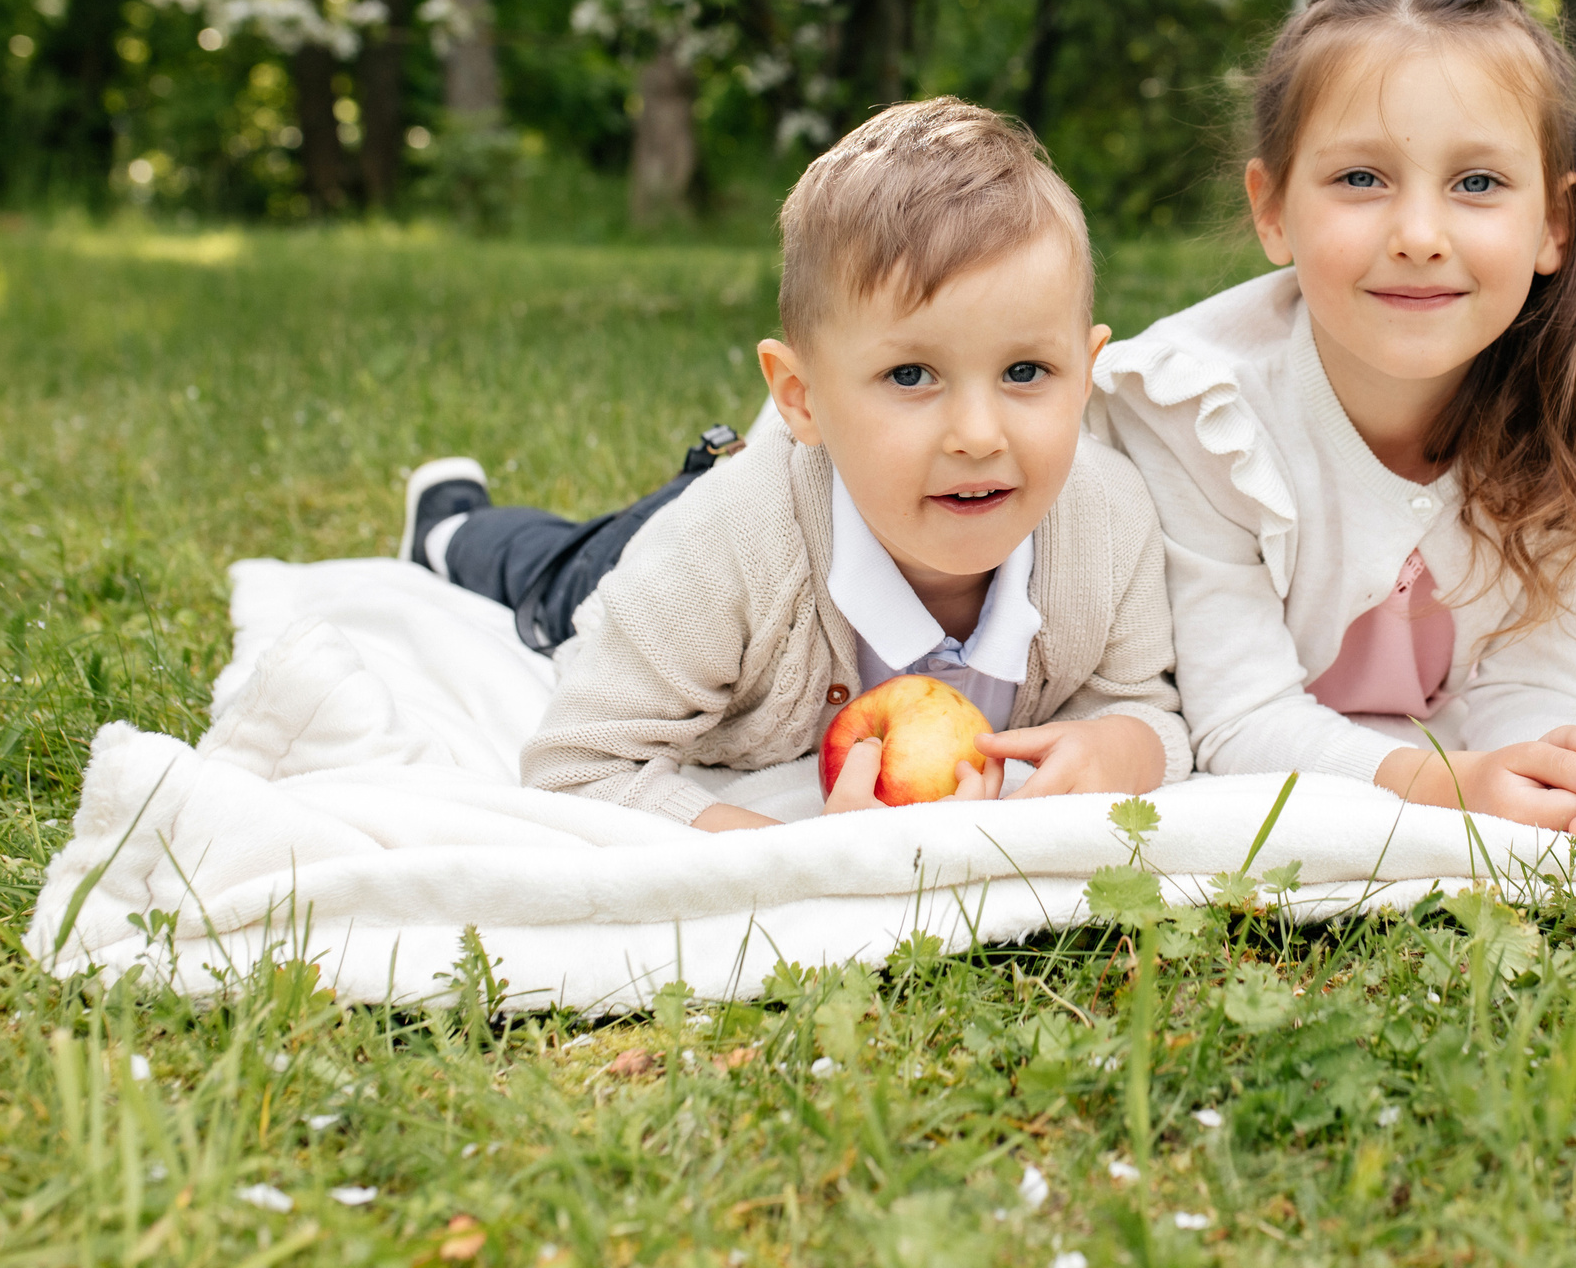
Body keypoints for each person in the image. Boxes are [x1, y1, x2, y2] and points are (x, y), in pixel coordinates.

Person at [401, 97, 1191, 830]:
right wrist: (791, 856)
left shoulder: (1109, 521)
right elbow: (575, 765)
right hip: (684, 542)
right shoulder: (721, 555)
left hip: (825, 478)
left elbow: (1144, 706)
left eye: (1025, 371)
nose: (979, 436)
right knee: (551, 573)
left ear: (1086, 376)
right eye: (910, 374)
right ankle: (451, 522)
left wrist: (1121, 748)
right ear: (800, 395)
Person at [1089, 0, 1576, 845]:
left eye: (1477, 183)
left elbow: (1534, 679)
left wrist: (1557, 775)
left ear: (1554, 222)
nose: (1420, 236)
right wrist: (1447, 785)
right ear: (1273, 209)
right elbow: (1237, 717)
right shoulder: (1198, 413)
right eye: (1361, 179)